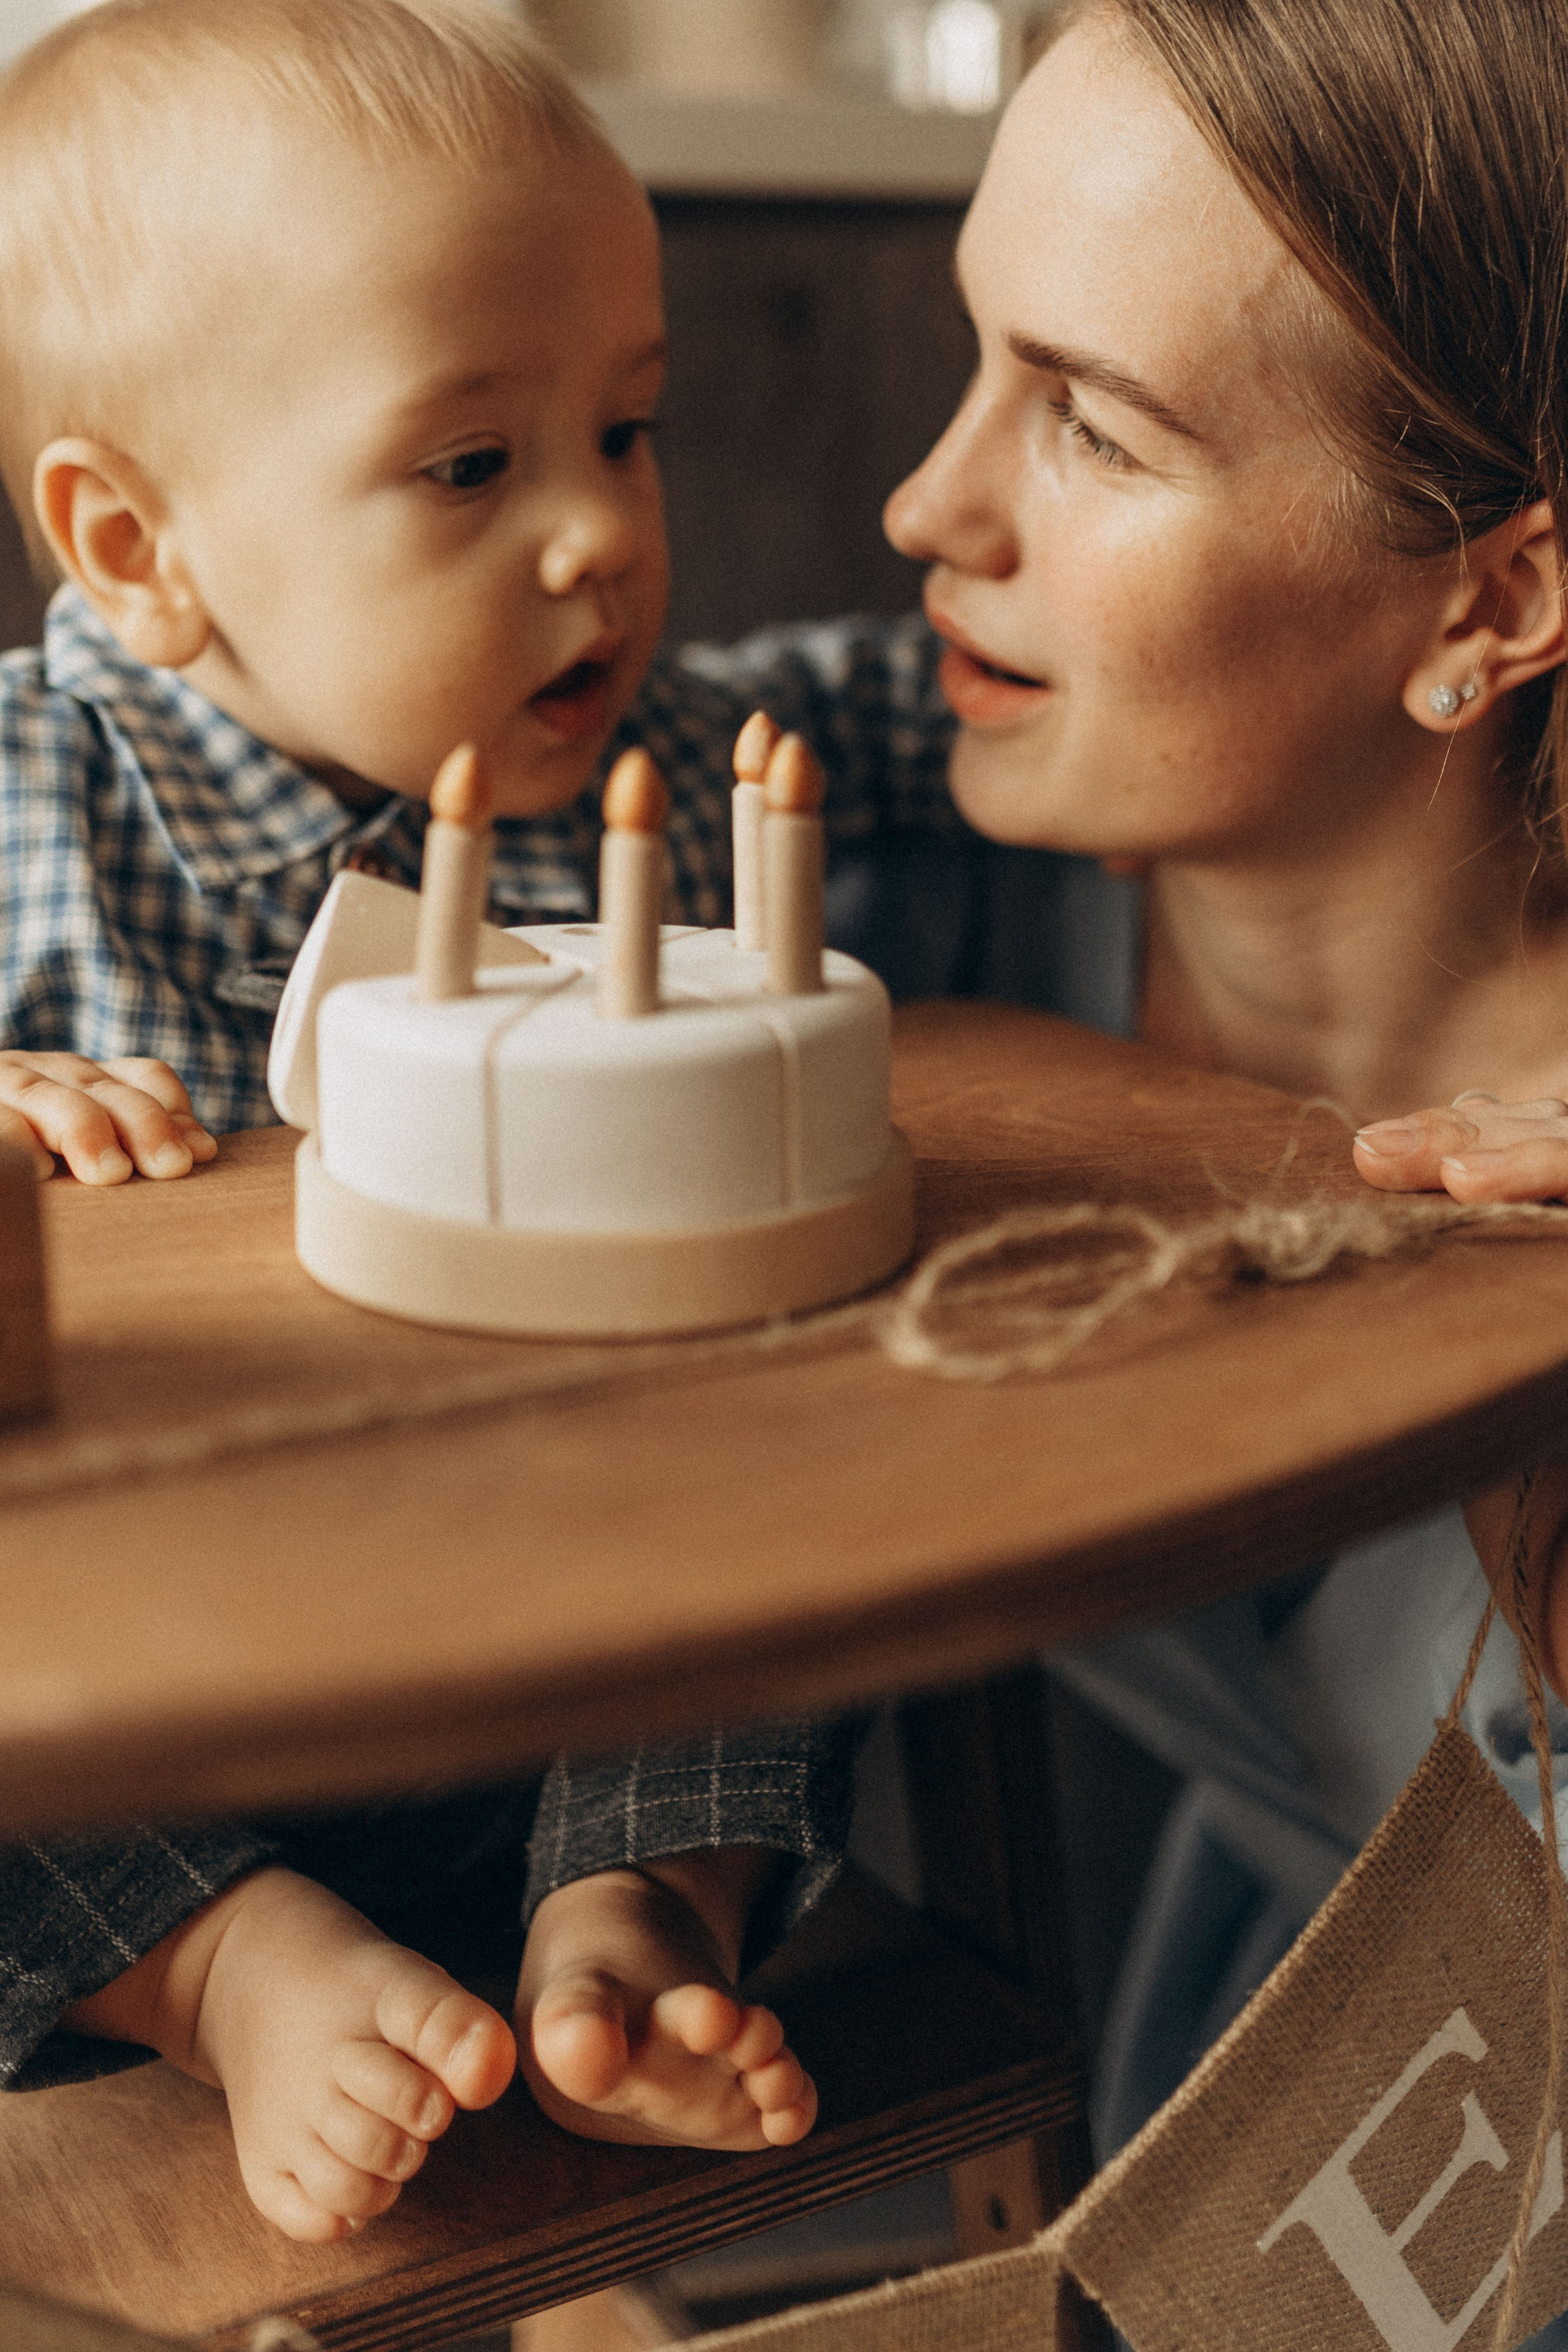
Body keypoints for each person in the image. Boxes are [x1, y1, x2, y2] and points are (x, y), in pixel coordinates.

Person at [0, 0, 856, 2249]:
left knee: (816, 1496)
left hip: (562, 1648)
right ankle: (231, 1974)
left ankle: (637, 1916)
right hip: (137, 1731)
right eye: (472, 467)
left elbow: (888, 701)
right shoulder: (28, 793)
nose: (597, 531)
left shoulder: (650, 759)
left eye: (630, 429)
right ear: (135, 541)